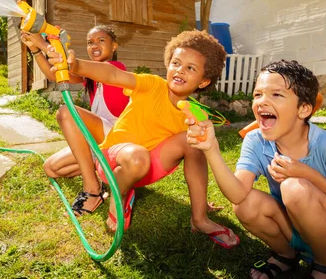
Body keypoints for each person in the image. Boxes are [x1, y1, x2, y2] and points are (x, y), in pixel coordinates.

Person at [47, 30, 240, 247]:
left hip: (148, 167)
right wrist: (75, 65)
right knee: (133, 153)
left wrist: (201, 200)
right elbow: (112, 75)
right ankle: (111, 193)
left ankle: (199, 219)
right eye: (176, 63)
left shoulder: (194, 113)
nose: (180, 71)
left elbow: (199, 159)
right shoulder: (152, 85)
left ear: (203, 81)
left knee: (191, 142)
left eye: (190, 68)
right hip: (114, 160)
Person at [184, 60, 326, 279]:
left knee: (294, 188)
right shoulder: (255, 140)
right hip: (291, 225)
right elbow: (237, 194)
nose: (262, 102)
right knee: (244, 205)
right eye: (258, 94)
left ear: (304, 109)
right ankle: (285, 255)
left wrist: (307, 174)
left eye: (276, 95)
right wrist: (211, 149)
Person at [21, 25, 129, 216]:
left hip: (118, 138)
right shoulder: (90, 77)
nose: (94, 45)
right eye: (90, 42)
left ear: (114, 46)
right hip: (99, 139)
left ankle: (93, 190)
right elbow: (55, 74)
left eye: (101, 40)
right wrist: (36, 50)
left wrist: (44, 44)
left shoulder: (116, 68)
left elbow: (71, 65)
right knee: (51, 168)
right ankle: (101, 171)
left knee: (66, 113)